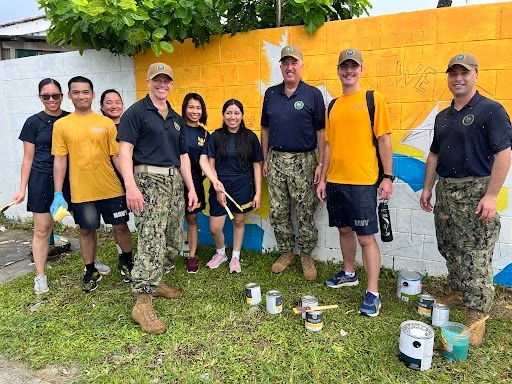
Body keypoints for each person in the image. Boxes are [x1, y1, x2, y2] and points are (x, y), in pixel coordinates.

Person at [420, 54, 511, 345]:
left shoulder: (491, 110)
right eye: (453, 73)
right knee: (449, 246)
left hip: (476, 191)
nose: (458, 78)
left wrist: (492, 195)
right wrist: (427, 188)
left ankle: (477, 316)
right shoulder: (443, 116)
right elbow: (434, 154)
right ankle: (459, 292)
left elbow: (503, 154)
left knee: (476, 256)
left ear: (475, 75)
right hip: (446, 191)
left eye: (464, 73)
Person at [117, 63, 204, 334]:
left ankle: (157, 281)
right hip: (147, 181)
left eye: (166, 80)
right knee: (151, 240)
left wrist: (190, 188)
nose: (162, 84)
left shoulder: (176, 118)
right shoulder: (136, 113)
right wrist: (130, 187)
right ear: (149, 82)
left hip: (174, 181)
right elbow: (125, 152)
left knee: (171, 238)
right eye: (157, 80)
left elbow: (184, 158)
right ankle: (142, 303)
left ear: (171, 84)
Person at [317, 48, 394, 317]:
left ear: (361, 69)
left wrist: (387, 176)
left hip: (362, 182)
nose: (348, 71)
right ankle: (349, 272)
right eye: (344, 66)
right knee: (344, 230)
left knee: (366, 238)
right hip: (336, 180)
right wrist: (323, 177)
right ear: (338, 70)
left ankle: (373, 292)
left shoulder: (373, 99)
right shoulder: (333, 105)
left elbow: (384, 139)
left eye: (354, 66)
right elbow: (328, 145)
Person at [51, 76, 133, 292]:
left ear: (92, 94)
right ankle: (90, 270)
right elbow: (60, 159)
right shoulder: (61, 125)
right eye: (76, 92)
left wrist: (129, 182)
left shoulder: (105, 123)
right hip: (81, 191)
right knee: (87, 230)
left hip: (111, 188)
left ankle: (126, 261)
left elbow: (116, 156)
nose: (81, 96)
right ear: (69, 95)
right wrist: (58, 193)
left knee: (121, 226)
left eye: (86, 92)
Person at [260, 45, 325, 281]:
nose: (290, 67)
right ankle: (287, 252)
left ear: (301, 65)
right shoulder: (271, 94)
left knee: (305, 209)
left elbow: (321, 131)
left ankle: (306, 255)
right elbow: (265, 128)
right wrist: (265, 157)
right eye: (285, 63)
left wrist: (319, 164)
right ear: (281, 66)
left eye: (294, 63)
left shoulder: (313, 94)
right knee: (278, 210)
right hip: (276, 159)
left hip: (304, 161)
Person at [12, 78, 71, 294]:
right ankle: (40, 275)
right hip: (41, 178)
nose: (51, 100)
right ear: (40, 98)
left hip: (70, 177)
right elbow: (28, 158)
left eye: (55, 95)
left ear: (62, 96)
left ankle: (90, 264)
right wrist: (21, 188)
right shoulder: (33, 122)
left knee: (86, 224)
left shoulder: (70, 119)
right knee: (42, 229)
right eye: (46, 96)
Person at [205, 99, 263, 273]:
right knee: (215, 227)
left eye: (236, 113)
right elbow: (210, 164)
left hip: (243, 185)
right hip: (220, 184)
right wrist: (217, 188)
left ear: (242, 115)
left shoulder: (250, 137)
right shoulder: (215, 136)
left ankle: (235, 257)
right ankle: (221, 253)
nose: (233, 117)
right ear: (223, 115)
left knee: (238, 221)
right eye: (229, 113)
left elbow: (256, 166)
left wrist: (258, 193)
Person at [100, 89, 135, 281]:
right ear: (102, 106)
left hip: (131, 179)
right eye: (109, 102)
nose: (114, 106)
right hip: (109, 182)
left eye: (118, 102)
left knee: (123, 223)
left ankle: (128, 255)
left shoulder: (129, 125)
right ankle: (124, 256)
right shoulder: (100, 126)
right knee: (118, 223)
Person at [181, 93, 210, 273]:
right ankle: (169, 252)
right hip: (176, 180)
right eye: (191, 107)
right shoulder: (177, 128)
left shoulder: (205, 134)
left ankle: (192, 256)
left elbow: (206, 161)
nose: (195, 111)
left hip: (196, 181)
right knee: (173, 218)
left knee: (192, 217)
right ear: (185, 108)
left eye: (198, 108)